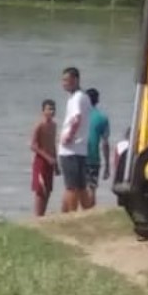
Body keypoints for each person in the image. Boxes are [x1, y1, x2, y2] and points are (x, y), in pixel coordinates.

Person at [57, 67, 93, 212]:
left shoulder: (76, 98)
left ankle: (70, 215)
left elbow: (77, 119)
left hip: (70, 148)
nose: (63, 83)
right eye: (63, 80)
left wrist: (69, 136)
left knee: (71, 186)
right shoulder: (83, 97)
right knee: (81, 186)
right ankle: (86, 213)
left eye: (66, 80)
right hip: (80, 148)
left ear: (76, 80)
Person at [30, 99, 59, 217]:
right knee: (40, 190)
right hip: (41, 161)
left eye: (53, 109)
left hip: (51, 162)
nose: (52, 111)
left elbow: (52, 145)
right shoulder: (39, 125)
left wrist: (56, 164)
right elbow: (33, 145)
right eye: (49, 109)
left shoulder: (54, 125)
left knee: (48, 190)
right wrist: (47, 157)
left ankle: (42, 215)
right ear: (43, 111)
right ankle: (37, 216)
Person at [85, 88, 110, 207]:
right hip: (94, 158)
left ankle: (78, 212)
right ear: (97, 100)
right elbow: (105, 143)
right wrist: (107, 166)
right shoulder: (102, 118)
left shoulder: (78, 115)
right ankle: (89, 213)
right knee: (92, 187)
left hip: (77, 156)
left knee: (76, 188)